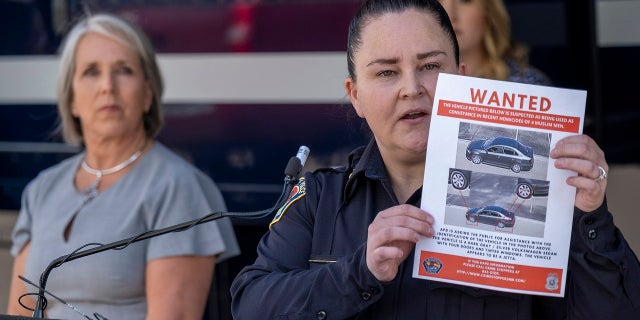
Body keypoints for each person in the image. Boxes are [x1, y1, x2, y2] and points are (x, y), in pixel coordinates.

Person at [230, 0, 640, 319]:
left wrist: (590, 216)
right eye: (387, 72)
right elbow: (251, 307)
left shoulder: (535, 195)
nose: (412, 88)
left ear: (461, 78)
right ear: (355, 95)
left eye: (429, 66)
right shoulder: (319, 198)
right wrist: (359, 272)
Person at [7, 13, 239, 319]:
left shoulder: (176, 187)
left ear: (147, 93)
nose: (108, 86)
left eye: (124, 70)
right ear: (72, 98)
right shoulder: (42, 189)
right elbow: (17, 311)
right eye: (91, 71)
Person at [439, 0, 551, 85]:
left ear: (489, 12)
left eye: (465, 0)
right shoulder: (423, 86)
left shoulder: (527, 85)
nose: (449, 14)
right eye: (438, 1)